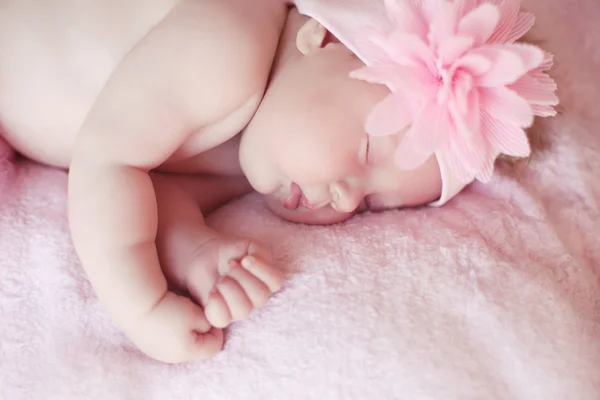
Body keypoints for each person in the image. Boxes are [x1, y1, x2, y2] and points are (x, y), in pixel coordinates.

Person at [0, 0, 557, 363]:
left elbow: (154, 188)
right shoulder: (228, 44)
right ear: (319, 39)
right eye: (365, 151)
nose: (344, 196)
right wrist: (141, 306)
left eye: (372, 203)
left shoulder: (259, 152)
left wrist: (197, 252)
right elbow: (110, 162)